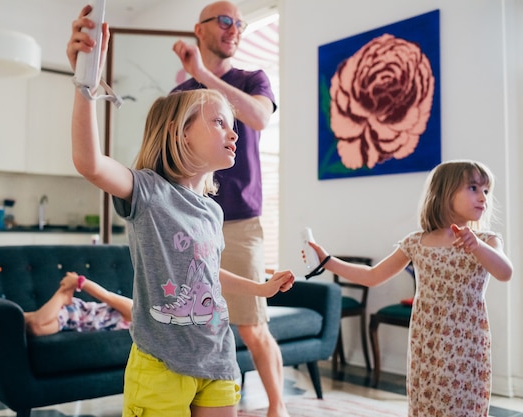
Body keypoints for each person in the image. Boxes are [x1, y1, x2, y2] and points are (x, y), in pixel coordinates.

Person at [67, 6, 294, 416]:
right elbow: (90, 163)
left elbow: (205, 268)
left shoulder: (212, 210)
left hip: (218, 362)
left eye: (232, 124)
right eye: (220, 122)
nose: (234, 131)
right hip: (162, 365)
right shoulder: (148, 192)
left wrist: (259, 288)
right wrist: (84, 83)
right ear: (180, 132)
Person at [306, 160, 512, 417]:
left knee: (462, 405)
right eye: (473, 188)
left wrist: (477, 247)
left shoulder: (486, 240)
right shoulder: (416, 242)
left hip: (465, 342)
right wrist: (328, 261)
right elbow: (372, 276)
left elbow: (505, 272)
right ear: (444, 192)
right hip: (425, 339)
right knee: (425, 402)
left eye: (486, 191)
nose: (483, 197)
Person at [171, 3, 287, 416]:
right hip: (190, 224)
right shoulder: (178, 97)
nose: (234, 29)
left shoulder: (252, 79)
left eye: (239, 23)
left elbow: (257, 117)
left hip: (240, 224)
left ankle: (278, 408)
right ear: (199, 30)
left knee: (252, 326)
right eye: (225, 21)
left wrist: (200, 75)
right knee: (193, 322)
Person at [24, 271, 132, 336]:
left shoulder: (141, 334)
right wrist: (78, 281)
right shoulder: (135, 310)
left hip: (72, 325)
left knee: (33, 328)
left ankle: (63, 296)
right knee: (35, 324)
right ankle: (62, 295)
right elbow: (106, 295)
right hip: (77, 312)